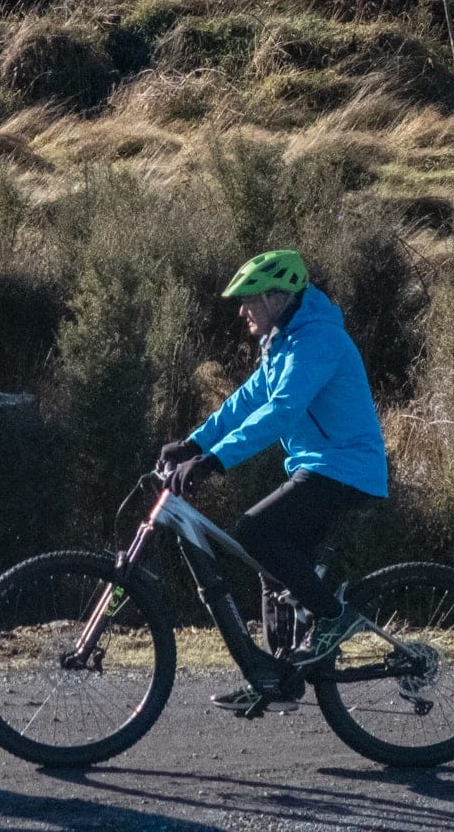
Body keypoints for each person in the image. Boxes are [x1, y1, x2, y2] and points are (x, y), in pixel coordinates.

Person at [162, 248, 389, 711]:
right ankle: (277, 680)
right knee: (270, 566)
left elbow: (281, 411)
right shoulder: (285, 341)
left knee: (255, 532)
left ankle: (333, 617)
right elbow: (247, 401)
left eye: (248, 300)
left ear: (276, 296)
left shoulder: (317, 341)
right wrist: (195, 443)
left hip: (343, 468)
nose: (242, 311)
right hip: (317, 465)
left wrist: (213, 462)